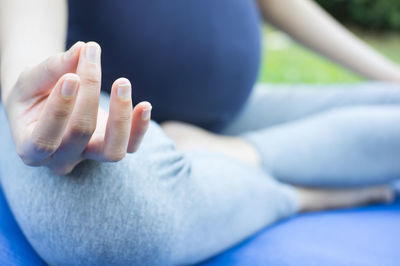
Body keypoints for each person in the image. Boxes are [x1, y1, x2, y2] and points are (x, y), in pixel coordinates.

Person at [1, 0, 400, 265]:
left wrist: (389, 77)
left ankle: (238, 155)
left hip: (233, 114)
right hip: (106, 116)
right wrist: (38, 94)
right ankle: (292, 194)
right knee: (111, 222)